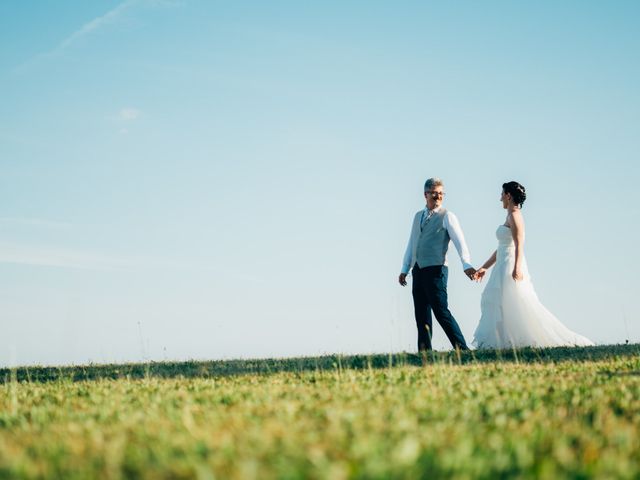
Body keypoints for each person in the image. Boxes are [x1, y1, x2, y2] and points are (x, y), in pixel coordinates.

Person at [472, 181, 594, 348]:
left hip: (510, 265)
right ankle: (502, 341)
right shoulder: (509, 216)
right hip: (502, 263)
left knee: (514, 302)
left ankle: (512, 340)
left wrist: (517, 268)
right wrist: (484, 267)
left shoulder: (515, 216)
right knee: (498, 302)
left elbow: (519, 244)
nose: (500, 198)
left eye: (502, 194)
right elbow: (501, 248)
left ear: (508, 196)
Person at [399, 177, 476, 351]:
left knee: (441, 311)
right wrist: (405, 268)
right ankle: (424, 352)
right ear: (426, 194)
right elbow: (412, 243)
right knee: (421, 314)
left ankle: (462, 348)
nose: (438, 197)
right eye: (434, 193)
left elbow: (460, 241)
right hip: (418, 270)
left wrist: (466, 264)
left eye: (441, 193)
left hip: (436, 269)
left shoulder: (447, 216)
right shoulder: (417, 216)